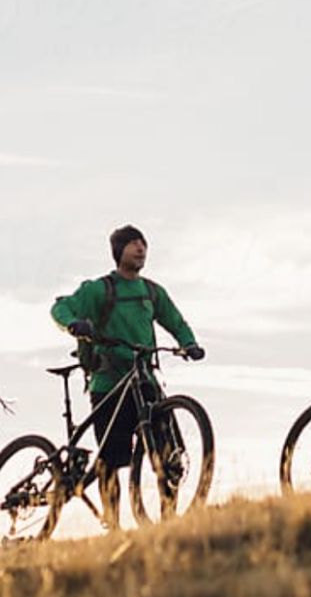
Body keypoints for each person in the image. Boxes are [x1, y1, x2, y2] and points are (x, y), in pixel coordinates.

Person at [50, 225, 204, 529]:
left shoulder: (151, 291)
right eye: (133, 243)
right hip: (109, 383)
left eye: (143, 243)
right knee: (111, 459)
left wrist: (189, 344)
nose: (140, 248)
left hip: (145, 380)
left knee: (166, 454)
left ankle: (169, 521)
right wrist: (73, 324)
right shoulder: (100, 289)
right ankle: (114, 526)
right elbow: (61, 307)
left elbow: (175, 320)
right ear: (118, 251)